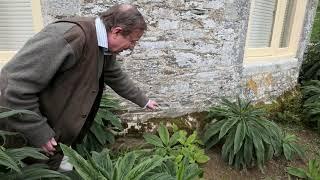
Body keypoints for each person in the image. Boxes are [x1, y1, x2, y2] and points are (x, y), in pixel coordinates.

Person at [0, 4, 158, 169]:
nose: (132, 47)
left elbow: (116, 76)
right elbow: (13, 85)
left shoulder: (104, 47)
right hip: (29, 141)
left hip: (59, 140)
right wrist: (38, 132)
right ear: (116, 31)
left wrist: (143, 101)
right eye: (132, 41)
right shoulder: (67, 37)